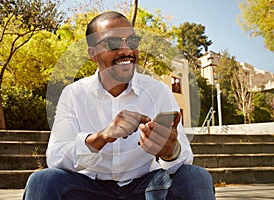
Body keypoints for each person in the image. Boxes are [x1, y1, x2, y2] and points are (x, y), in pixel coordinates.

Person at [23, 11, 215, 200]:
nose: (126, 51)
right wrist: (101, 137)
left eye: (132, 42)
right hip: (88, 187)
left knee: (196, 177)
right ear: (93, 53)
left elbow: (182, 161)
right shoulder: (74, 93)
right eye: (113, 43)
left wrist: (169, 151)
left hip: (147, 187)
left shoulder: (158, 91)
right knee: (42, 181)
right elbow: (56, 157)